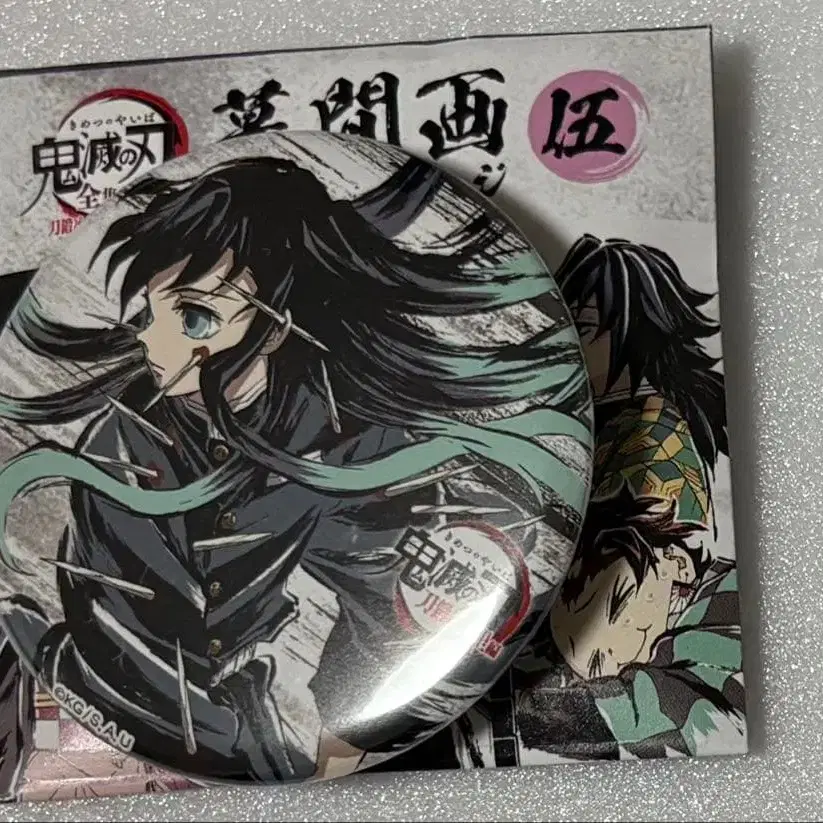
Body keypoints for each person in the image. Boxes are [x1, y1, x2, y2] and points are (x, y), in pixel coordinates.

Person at [0, 153, 591, 790]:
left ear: (282, 323)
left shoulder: (350, 438)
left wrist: (343, 732)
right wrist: (259, 744)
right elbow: (121, 641)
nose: (152, 341)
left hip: (251, 725)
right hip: (113, 695)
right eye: (151, 312)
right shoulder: (125, 444)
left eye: (195, 317)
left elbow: (399, 605)